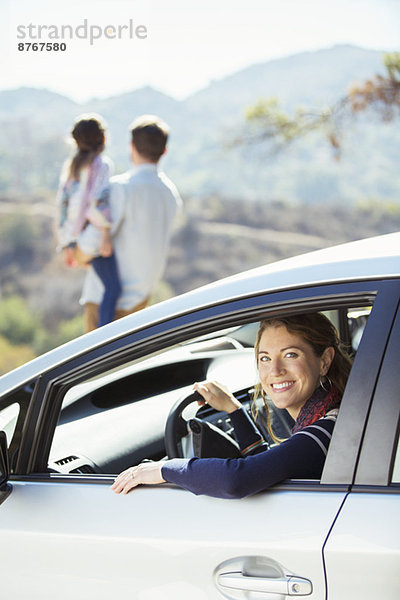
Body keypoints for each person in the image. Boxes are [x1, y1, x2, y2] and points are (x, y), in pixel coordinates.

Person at [111, 312, 353, 499]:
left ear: (324, 361)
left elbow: (239, 479)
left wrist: (162, 469)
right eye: (265, 358)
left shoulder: (329, 431)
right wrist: (234, 410)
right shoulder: (328, 417)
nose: (275, 371)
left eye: (291, 355)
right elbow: (271, 468)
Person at [81, 114, 182, 333]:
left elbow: (91, 242)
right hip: (141, 303)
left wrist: (77, 253)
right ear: (164, 151)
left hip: (104, 304)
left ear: (131, 146)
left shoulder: (120, 187)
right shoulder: (170, 194)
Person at [57, 114, 121, 328]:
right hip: (92, 238)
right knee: (113, 289)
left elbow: (63, 206)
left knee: (105, 287)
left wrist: (66, 243)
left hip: (75, 242)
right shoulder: (101, 165)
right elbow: (97, 202)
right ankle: (105, 339)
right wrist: (105, 235)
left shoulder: (72, 167)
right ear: (103, 139)